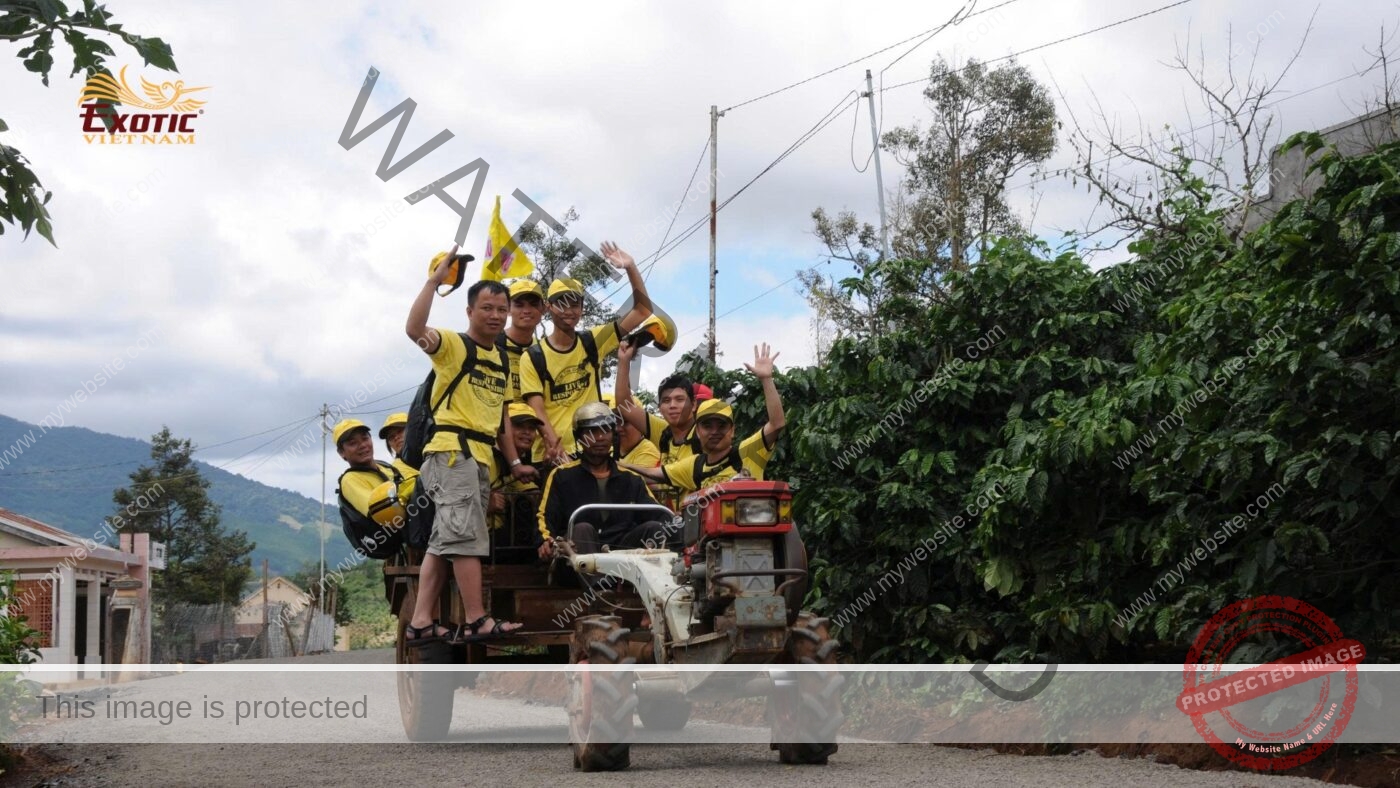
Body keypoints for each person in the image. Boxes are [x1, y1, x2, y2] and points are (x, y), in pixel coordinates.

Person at [404, 252, 522, 643]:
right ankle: (476, 619)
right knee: (467, 538)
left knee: (443, 543)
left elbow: (500, 415)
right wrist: (433, 283)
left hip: (479, 457)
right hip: (453, 453)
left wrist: (515, 461)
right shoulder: (452, 346)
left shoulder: (503, 360)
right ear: (469, 310)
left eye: (501, 309)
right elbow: (414, 328)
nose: (495, 315)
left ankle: (420, 621)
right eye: (487, 307)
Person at [520, 241, 653, 469]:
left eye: (575, 304)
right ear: (548, 307)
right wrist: (556, 447)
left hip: (593, 449)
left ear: (582, 308)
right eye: (561, 304)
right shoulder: (533, 356)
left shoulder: (593, 341)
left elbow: (642, 311)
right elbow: (537, 408)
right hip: (552, 455)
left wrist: (630, 267)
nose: (569, 311)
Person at [627, 344, 785, 493]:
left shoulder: (747, 452)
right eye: (707, 426)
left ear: (732, 431)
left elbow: (777, 424)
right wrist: (610, 467)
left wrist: (766, 379)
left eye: (722, 426)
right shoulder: (694, 465)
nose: (714, 431)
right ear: (697, 431)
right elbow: (652, 474)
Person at [536, 402, 668, 559]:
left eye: (605, 431)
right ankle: (597, 583)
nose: (599, 437)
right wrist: (546, 541)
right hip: (576, 559)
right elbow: (545, 517)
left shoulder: (632, 479)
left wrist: (678, 524)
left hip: (621, 557)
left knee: (654, 527)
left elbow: (657, 514)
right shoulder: (562, 475)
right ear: (579, 436)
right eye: (592, 432)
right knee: (582, 529)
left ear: (614, 435)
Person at [615, 340, 700, 466]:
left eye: (679, 399)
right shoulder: (662, 431)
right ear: (660, 408)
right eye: (666, 401)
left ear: (693, 405)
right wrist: (624, 360)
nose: (672, 405)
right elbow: (624, 404)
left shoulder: (704, 433)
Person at [498, 279, 544, 484]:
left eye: (533, 304)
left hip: (531, 441)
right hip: (496, 442)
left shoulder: (543, 352)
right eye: (519, 304)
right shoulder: (492, 343)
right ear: (508, 309)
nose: (527, 310)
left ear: (543, 309)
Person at [488, 403, 545, 559]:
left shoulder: (522, 464)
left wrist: (551, 468)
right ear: (504, 429)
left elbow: (535, 496)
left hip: (501, 541)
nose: (527, 432)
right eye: (519, 426)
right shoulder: (485, 457)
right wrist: (484, 502)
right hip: (478, 540)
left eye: (532, 428)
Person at [602, 393, 660, 468]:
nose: (617, 428)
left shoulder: (648, 451)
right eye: (615, 422)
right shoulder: (611, 449)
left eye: (625, 422)